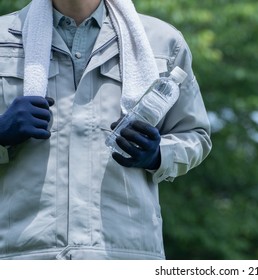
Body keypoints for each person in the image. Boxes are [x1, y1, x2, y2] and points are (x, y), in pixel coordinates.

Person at [0, 0, 211, 260]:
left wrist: (158, 155)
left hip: (126, 256)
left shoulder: (164, 42)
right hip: (22, 256)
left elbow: (195, 136)